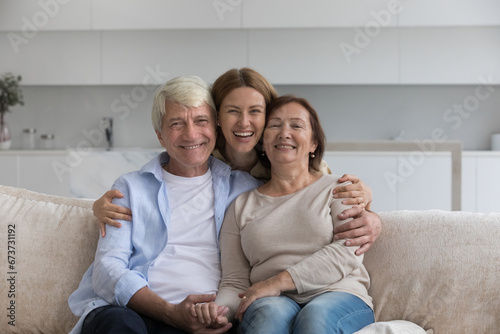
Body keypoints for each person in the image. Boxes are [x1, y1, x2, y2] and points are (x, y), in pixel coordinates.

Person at [93, 68, 381, 255]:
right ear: (217, 117)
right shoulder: (202, 158)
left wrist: (371, 213)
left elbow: (338, 201)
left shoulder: (291, 160)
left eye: (255, 111)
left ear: (269, 115)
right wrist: (98, 206)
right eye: (232, 111)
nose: (244, 123)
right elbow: (159, 186)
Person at [68, 76, 260, 334]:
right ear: (160, 135)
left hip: (206, 317)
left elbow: (295, 193)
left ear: (215, 128)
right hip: (133, 313)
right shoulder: (130, 188)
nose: (191, 134)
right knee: (119, 324)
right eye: (176, 123)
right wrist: (170, 313)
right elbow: (107, 270)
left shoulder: (244, 188)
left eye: (201, 121)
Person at [195, 95, 374, 333]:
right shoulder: (240, 206)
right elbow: (234, 282)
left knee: (314, 317)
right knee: (269, 316)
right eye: (275, 125)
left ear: (313, 144)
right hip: (271, 301)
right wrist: (218, 313)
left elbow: (347, 251)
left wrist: (276, 283)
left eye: (296, 126)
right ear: (263, 141)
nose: (284, 133)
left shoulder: (339, 189)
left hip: (338, 293)